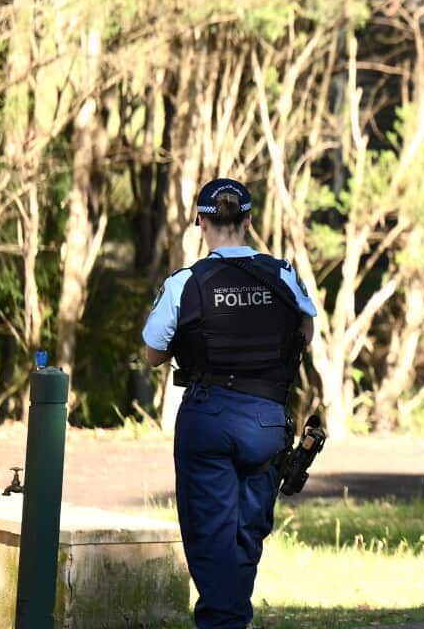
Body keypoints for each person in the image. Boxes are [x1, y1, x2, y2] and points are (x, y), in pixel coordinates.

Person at [142, 178, 317, 629]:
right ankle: (231, 618)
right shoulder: (282, 274)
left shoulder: (187, 282)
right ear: (249, 220)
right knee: (247, 534)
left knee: (210, 537)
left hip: (209, 416)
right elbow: (307, 331)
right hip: (266, 420)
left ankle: (223, 623)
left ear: (200, 220)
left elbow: (152, 353)